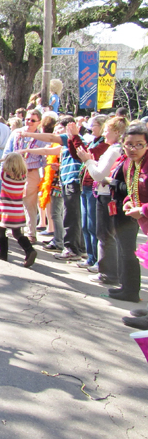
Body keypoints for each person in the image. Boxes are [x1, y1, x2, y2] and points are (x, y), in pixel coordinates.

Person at [22, 116, 85, 261]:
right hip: (62, 181)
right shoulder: (68, 143)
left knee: (69, 216)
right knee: (60, 214)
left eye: (60, 129)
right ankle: (63, 242)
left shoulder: (74, 139)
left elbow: (50, 139)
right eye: (56, 129)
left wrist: (28, 134)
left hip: (71, 181)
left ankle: (71, 247)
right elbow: (47, 151)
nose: (57, 132)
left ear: (70, 127)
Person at [77, 117, 127, 286]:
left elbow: (98, 174)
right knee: (107, 234)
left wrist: (88, 160)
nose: (104, 132)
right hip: (108, 194)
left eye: (107, 130)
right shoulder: (116, 150)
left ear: (117, 132)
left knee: (104, 234)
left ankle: (107, 273)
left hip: (106, 195)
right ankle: (110, 271)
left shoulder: (114, 150)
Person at [102, 122, 148, 304]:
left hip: (143, 214)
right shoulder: (129, 163)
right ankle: (128, 290)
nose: (133, 148)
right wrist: (129, 203)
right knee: (126, 249)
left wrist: (142, 209)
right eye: (129, 144)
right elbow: (131, 189)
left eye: (139, 144)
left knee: (128, 251)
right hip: (138, 217)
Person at [67, 114, 109, 269]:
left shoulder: (105, 145)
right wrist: (72, 138)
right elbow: (78, 155)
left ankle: (99, 259)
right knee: (85, 224)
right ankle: (91, 257)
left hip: (95, 186)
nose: (91, 127)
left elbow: (87, 155)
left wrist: (76, 136)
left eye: (95, 124)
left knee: (93, 225)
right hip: (84, 185)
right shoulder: (95, 141)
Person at [0, 152, 37, 268]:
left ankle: (3, 253)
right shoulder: (23, 176)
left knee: (1, 230)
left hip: (5, 209)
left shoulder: (5, 175)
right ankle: (29, 250)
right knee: (17, 233)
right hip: (18, 210)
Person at [4, 109, 46, 241]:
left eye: (33, 120)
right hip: (14, 172)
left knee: (29, 202)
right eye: (27, 119)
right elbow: (8, 151)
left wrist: (45, 177)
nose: (29, 122)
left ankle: (31, 233)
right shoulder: (16, 133)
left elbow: (45, 158)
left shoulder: (41, 137)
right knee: (15, 202)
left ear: (39, 122)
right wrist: (3, 169)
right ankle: (17, 229)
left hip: (31, 172)